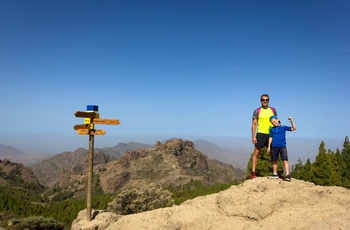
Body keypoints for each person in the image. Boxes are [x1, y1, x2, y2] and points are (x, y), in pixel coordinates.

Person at [251, 94, 277, 179]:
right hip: (261, 134)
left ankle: (275, 173)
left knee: (272, 154)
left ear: (268, 100)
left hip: (271, 133)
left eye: (266, 99)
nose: (265, 101)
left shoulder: (273, 110)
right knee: (256, 153)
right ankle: (253, 173)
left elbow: (276, 122)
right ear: (260, 100)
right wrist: (253, 136)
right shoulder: (257, 111)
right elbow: (254, 124)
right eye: (263, 99)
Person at [267, 116, 296, 181]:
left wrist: (291, 121)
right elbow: (270, 137)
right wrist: (269, 146)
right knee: (274, 160)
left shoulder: (283, 127)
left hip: (282, 146)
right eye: (272, 122)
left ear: (278, 120)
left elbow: (294, 128)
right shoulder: (272, 129)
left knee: (285, 160)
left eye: (274, 121)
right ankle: (275, 174)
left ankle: (287, 175)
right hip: (274, 146)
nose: (274, 123)